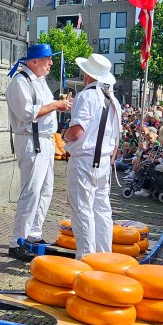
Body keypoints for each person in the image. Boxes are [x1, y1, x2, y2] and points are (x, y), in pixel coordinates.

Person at [5, 42, 72, 260]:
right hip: (30, 139)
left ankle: (33, 234)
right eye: (47, 59)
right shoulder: (20, 81)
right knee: (31, 192)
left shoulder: (39, 81)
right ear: (34, 61)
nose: (51, 63)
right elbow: (26, 113)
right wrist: (55, 106)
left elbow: (43, 107)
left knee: (45, 190)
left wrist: (57, 104)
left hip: (44, 140)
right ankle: (17, 241)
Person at [63, 53, 122, 257]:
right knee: (102, 210)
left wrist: (64, 135)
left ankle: (86, 258)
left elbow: (77, 131)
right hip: (104, 161)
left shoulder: (87, 96)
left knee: (82, 209)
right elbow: (116, 137)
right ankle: (104, 256)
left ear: (87, 74)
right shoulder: (113, 100)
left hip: (84, 161)